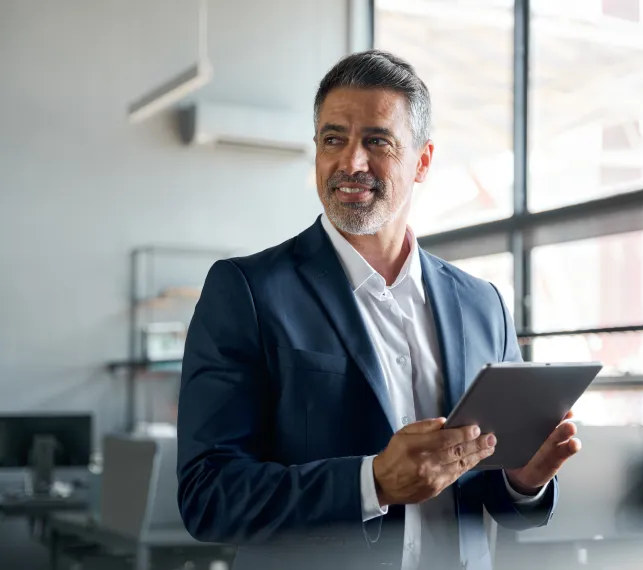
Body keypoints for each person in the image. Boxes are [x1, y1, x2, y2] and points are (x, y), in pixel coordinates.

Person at [176, 50, 581, 570]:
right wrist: (371, 483)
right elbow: (208, 496)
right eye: (332, 139)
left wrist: (523, 481)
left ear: (423, 162)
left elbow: (496, 500)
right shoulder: (249, 291)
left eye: (376, 141)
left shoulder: (483, 305)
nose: (350, 162)